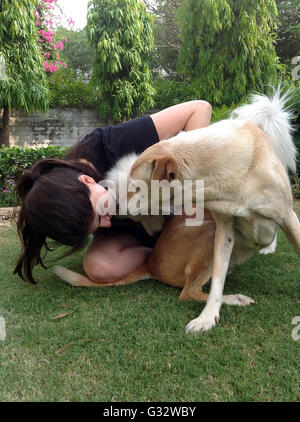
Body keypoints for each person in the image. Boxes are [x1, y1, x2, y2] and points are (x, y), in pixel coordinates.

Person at [14, 101, 212, 284]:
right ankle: (165, 254)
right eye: (98, 225)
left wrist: (186, 186)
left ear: (88, 180)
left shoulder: (109, 145)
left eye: (101, 214)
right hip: (134, 233)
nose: (107, 223)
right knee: (98, 267)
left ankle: (182, 246)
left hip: (179, 205)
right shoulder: (79, 205)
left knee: (196, 211)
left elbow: (199, 109)